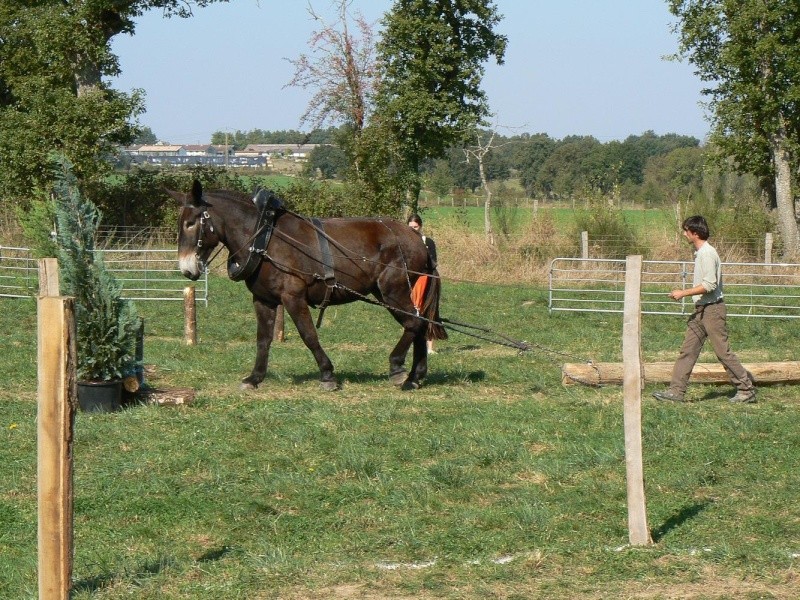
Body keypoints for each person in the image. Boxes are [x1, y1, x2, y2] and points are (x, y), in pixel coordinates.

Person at [653, 215, 756, 403]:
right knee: (688, 350)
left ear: (695, 233)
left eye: (686, 231)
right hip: (701, 309)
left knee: (722, 352)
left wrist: (683, 293)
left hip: (712, 310)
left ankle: (746, 389)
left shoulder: (707, 254)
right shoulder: (701, 253)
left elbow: (709, 285)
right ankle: (676, 392)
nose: (684, 234)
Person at [408, 214, 437, 354]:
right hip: (409, 279)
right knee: (409, 311)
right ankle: (409, 344)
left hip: (425, 278)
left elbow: (433, 262)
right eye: (411, 227)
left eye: (416, 227)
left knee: (427, 311)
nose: (413, 229)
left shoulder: (427, 241)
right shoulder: (404, 241)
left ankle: (430, 348)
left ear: (420, 226)